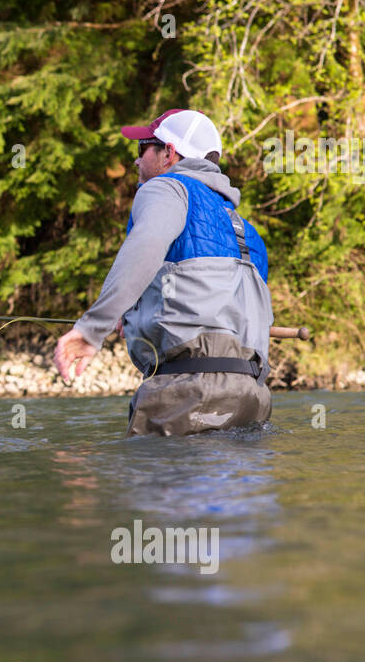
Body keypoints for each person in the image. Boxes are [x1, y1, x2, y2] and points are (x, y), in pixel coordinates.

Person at [52, 109, 273, 436]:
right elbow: (210, 300)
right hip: (253, 399)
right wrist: (136, 313)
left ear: (169, 152)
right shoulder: (245, 232)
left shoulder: (166, 188)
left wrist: (91, 329)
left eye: (142, 149)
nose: (136, 162)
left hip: (187, 393)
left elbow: (146, 245)